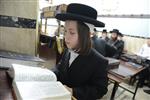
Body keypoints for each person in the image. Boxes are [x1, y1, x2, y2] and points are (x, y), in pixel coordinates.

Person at [52, 3, 108, 100]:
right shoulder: (68, 50)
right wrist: (50, 74)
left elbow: (100, 89)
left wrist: (73, 91)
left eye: (72, 32)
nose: (66, 37)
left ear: (86, 34)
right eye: (65, 31)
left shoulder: (99, 61)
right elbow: (59, 68)